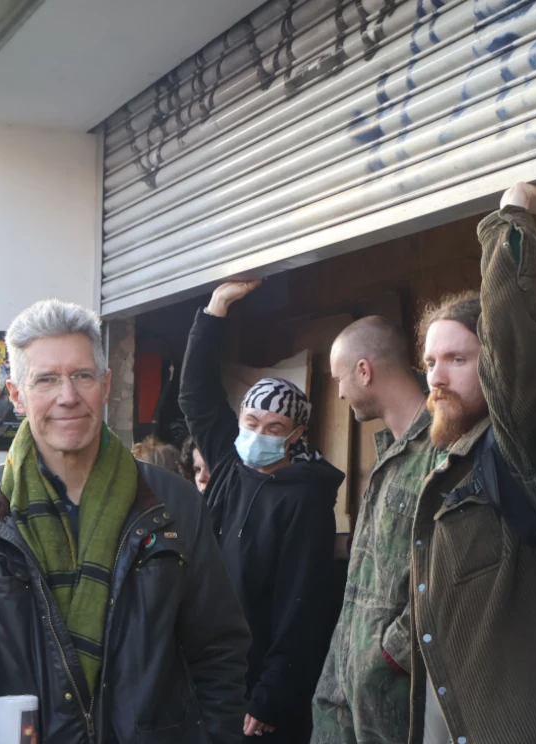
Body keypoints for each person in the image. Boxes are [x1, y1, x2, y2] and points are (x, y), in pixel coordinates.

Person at [0, 299, 251, 743]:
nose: (68, 396)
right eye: (46, 379)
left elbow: (219, 652)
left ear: (105, 386)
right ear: (16, 396)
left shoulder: (173, 504)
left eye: (81, 376)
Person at [407, 183, 536, 744]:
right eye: (431, 361)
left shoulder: (521, 444)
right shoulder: (444, 461)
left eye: (458, 359)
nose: (437, 376)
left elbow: (512, 342)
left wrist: (513, 217)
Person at [180, 283, 345, 742]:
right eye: (251, 423)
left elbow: (303, 607)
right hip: (212, 673)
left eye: (275, 427)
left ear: (296, 436)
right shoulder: (230, 467)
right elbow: (195, 395)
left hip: (260, 692)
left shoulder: (305, 501)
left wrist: (273, 693)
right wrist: (215, 310)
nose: (259, 433)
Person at [311, 316, 440, 744]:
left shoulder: (441, 455)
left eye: (340, 378)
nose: (341, 391)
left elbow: (449, 572)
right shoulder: (390, 453)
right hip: (349, 696)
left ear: (364, 370)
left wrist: (388, 654)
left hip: (393, 702)